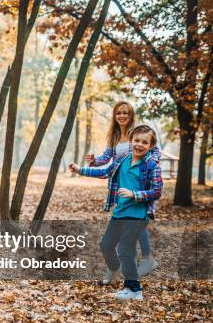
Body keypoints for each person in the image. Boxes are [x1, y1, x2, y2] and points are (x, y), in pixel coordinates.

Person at [70, 125, 163, 301]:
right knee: (106, 245)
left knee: (125, 249)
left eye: (145, 142)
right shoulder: (122, 161)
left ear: (151, 146)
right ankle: (116, 269)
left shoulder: (151, 166)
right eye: (137, 140)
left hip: (137, 215)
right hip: (119, 213)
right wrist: (80, 170)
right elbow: (104, 171)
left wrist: (134, 194)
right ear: (130, 142)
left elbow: (157, 191)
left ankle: (134, 289)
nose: (140, 144)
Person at [84, 102, 160, 278]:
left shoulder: (138, 133)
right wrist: (94, 161)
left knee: (137, 222)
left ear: (131, 114)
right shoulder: (115, 135)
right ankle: (124, 265)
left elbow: (154, 153)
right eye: (118, 112)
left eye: (125, 112)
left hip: (139, 184)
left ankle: (144, 260)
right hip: (120, 185)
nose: (122, 115)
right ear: (114, 115)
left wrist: (144, 165)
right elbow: (107, 157)